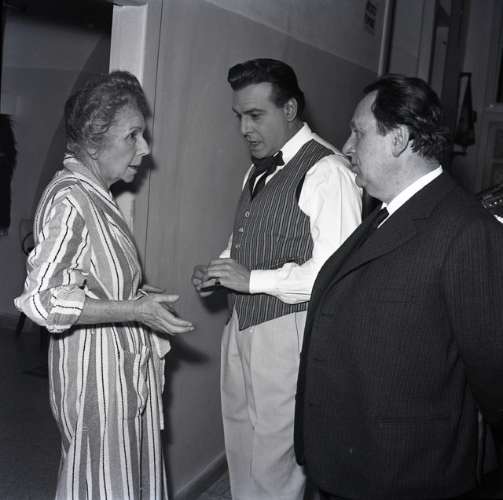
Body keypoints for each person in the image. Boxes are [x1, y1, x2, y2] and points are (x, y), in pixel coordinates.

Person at [294, 74, 503, 500]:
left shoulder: (467, 230)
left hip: (403, 475)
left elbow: (494, 375)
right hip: (348, 461)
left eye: (358, 132)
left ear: (399, 139)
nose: (346, 146)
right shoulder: (384, 213)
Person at [15, 70, 194, 500]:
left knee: (118, 482)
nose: (145, 148)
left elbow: (93, 282)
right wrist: (133, 310)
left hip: (116, 374)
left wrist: (139, 297)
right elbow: (42, 300)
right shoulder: (71, 198)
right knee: (98, 485)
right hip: (96, 380)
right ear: (94, 140)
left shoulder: (96, 195)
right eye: (133, 135)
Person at [192, 58, 361, 500]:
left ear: (289, 110)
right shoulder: (259, 167)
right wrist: (220, 270)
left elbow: (333, 272)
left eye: (255, 115)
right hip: (241, 323)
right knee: (241, 441)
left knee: (276, 457)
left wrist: (251, 281)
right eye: (239, 116)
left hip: (290, 330)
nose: (244, 128)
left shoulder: (329, 171)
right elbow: (246, 237)